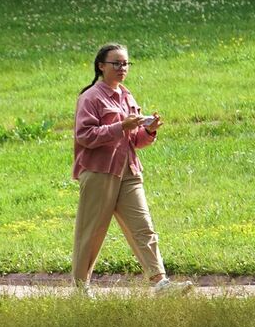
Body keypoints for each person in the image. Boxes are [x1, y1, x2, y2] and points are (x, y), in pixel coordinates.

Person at [71, 42, 189, 296]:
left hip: (129, 172)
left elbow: (135, 140)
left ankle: (160, 284)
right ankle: (81, 289)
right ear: (101, 66)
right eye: (116, 63)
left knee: (143, 226)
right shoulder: (90, 97)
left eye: (125, 63)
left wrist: (149, 129)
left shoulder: (127, 95)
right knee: (91, 232)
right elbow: (84, 135)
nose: (122, 68)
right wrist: (120, 127)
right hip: (99, 173)